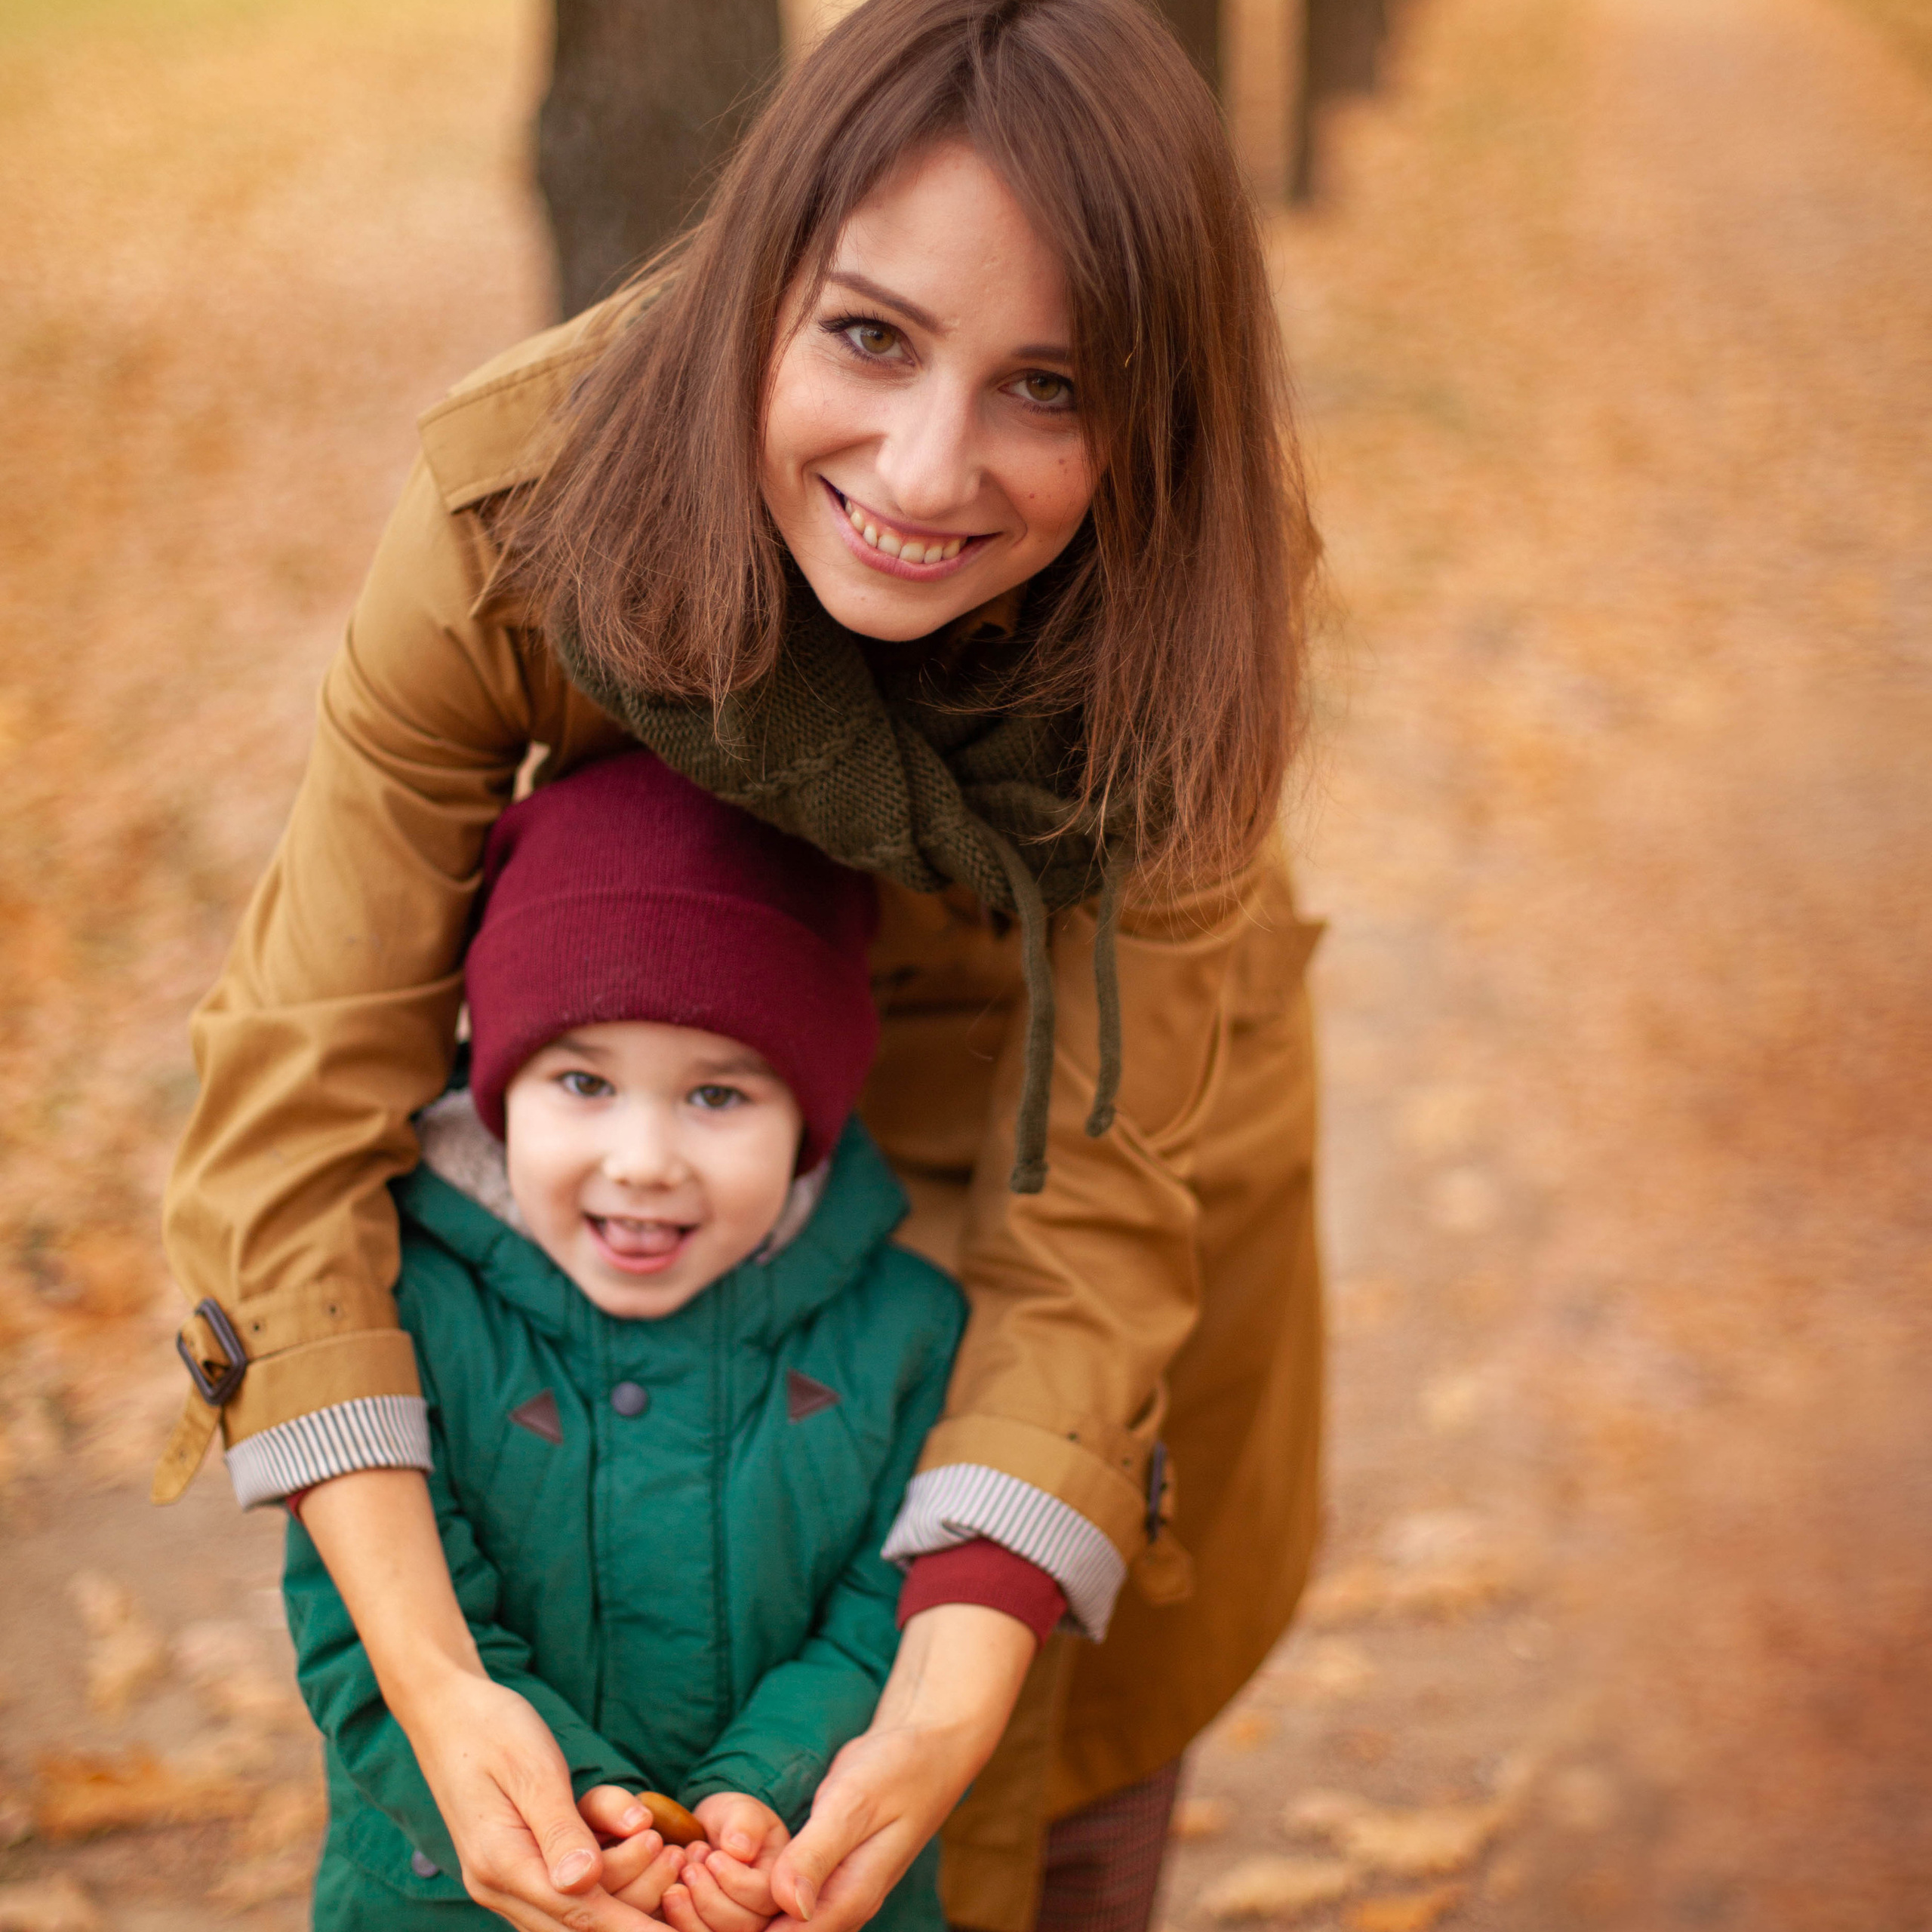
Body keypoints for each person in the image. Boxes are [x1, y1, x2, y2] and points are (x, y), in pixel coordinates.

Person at [157, 4, 1324, 1930]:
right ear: (760, 275)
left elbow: (1099, 1208)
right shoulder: (514, 514)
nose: (925, 467)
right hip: (681, 1131)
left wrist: (945, 1692)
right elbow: (302, 1075)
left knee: (1042, 1783)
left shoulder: (1188, 615)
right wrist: (439, 1683)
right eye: (868, 334)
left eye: (1050, 386)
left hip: (1081, 1147)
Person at [283, 749, 972, 1931]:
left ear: (815, 1113)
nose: (645, 1159)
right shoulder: (392, 1307)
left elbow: (888, 1606)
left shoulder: (904, 1327)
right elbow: (368, 1613)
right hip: (452, 1897)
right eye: (584, 1082)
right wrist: (585, 1808)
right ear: (500, 1093)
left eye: (719, 1096)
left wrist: (761, 1797)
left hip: (780, 1890)